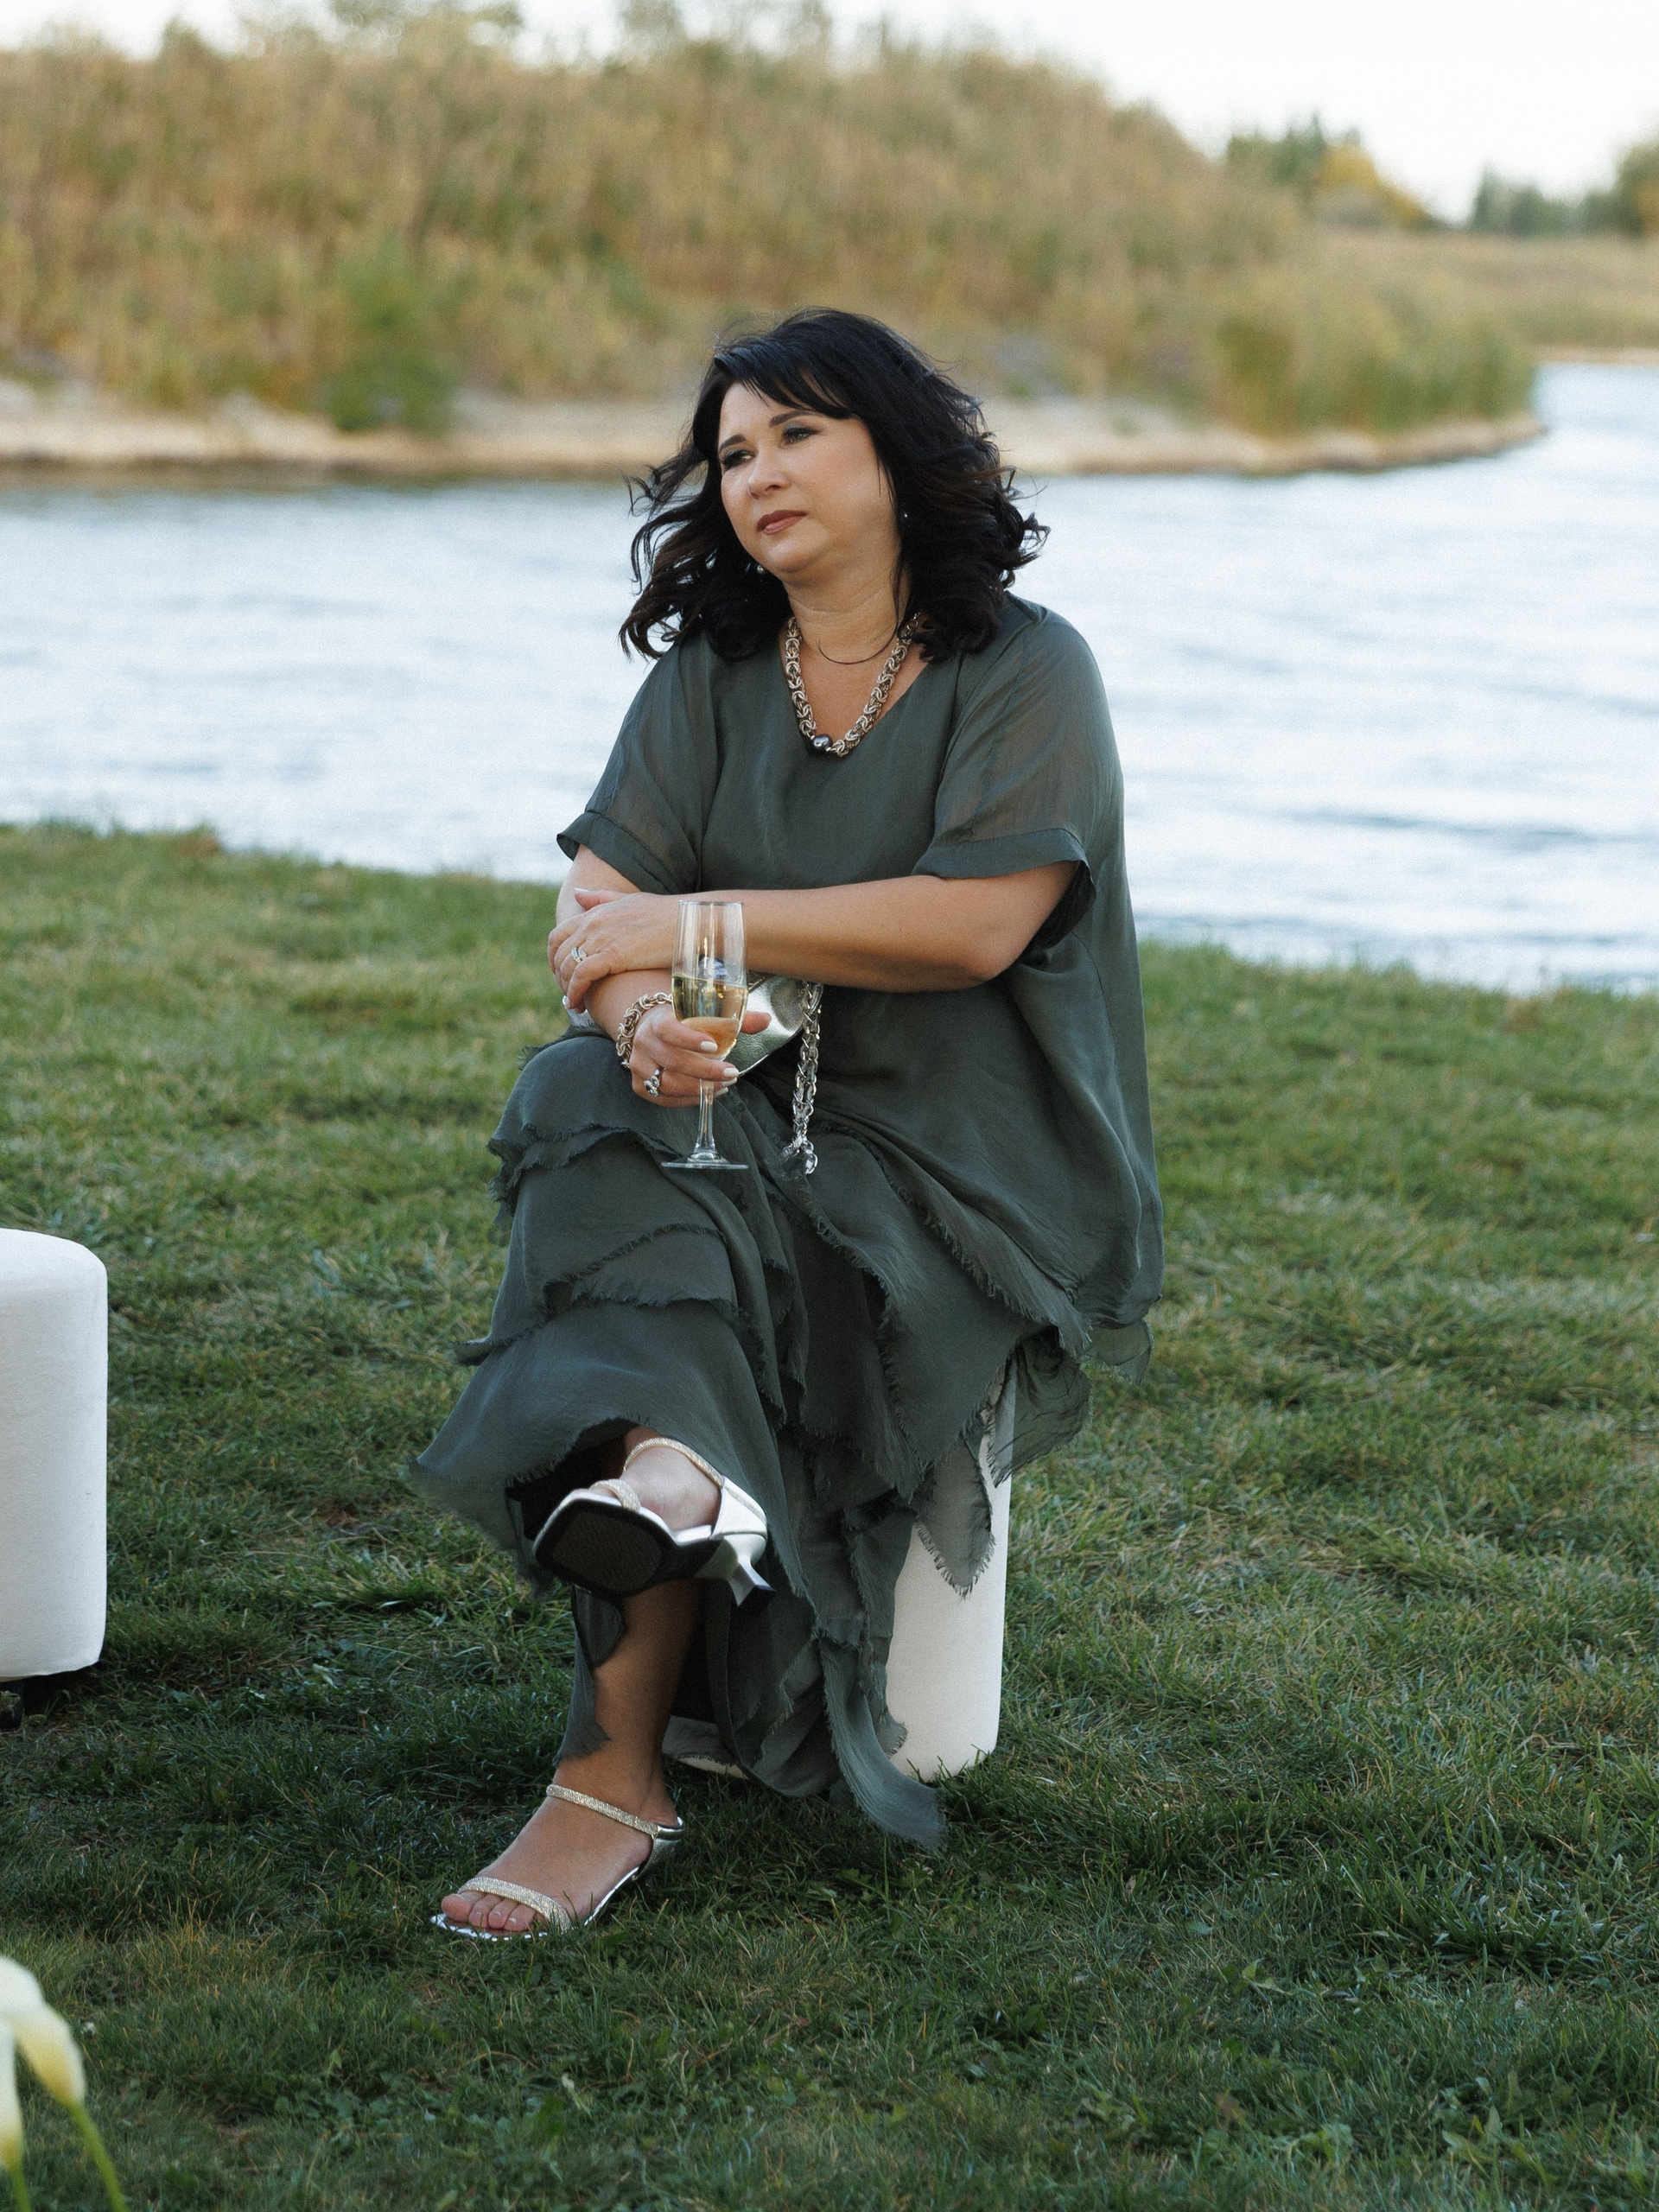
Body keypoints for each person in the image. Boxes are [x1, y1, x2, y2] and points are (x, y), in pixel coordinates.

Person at [416, 308, 1162, 1939]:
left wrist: (696, 927)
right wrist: (644, 1026)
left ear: (901, 450)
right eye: (733, 453)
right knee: (585, 1094)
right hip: (750, 1119)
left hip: (963, 1164)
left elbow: (975, 926)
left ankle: (615, 1756)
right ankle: (661, 1541)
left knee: (669, 1239)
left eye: (798, 434)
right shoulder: (710, 676)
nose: (757, 473)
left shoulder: (1030, 669)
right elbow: (596, 913)